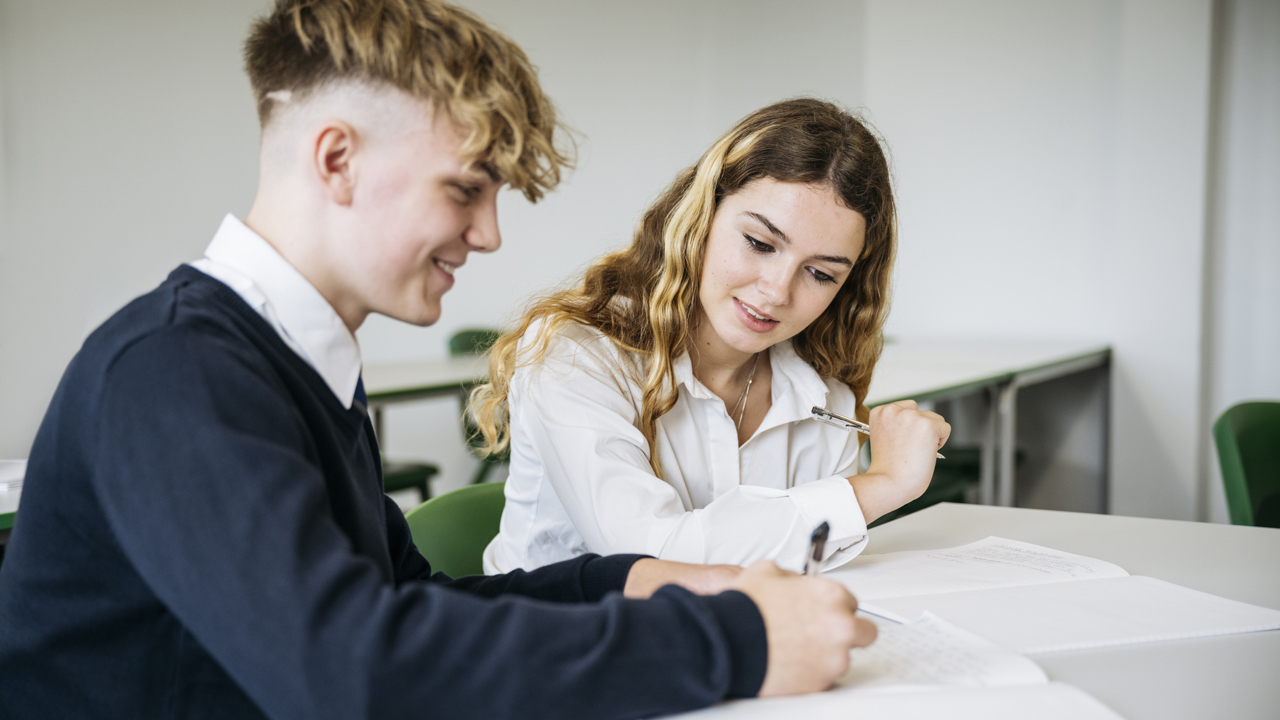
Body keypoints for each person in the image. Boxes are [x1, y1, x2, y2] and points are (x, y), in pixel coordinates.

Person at [0, 2, 879, 718]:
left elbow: (412, 601)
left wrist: (638, 579)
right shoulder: (174, 371)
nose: (490, 235)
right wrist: (738, 643)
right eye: (466, 189)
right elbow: (352, 672)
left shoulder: (294, 366)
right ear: (336, 158)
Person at [474, 99, 952, 576]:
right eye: (760, 244)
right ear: (700, 216)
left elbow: (806, 574)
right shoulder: (577, 356)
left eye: (821, 274)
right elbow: (649, 559)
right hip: (559, 640)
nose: (777, 291)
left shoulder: (825, 401)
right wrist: (883, 484)